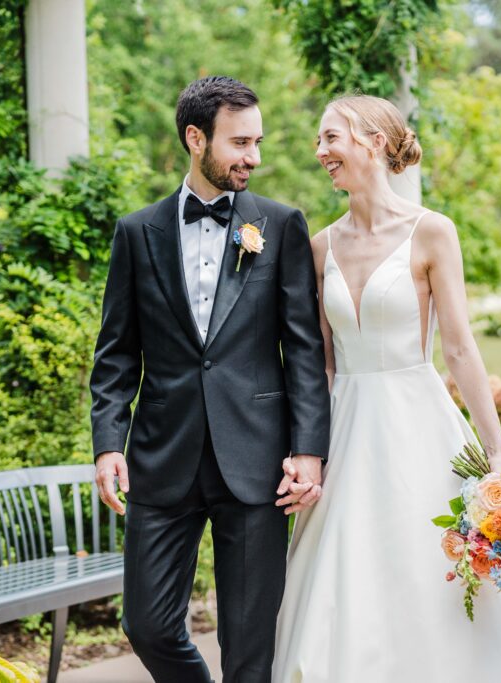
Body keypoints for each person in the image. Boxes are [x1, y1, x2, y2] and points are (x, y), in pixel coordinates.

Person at [272, 95, 501, 683]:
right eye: (320, 141)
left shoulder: (432, 232)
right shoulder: (318, 247)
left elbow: (460, 348)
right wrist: (306, 448)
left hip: (420, 422)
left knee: (428, 568)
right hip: (345, 427)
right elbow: (319, 364)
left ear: (373, 141)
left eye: (331, 138)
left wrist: (496, 452)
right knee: (344, 573)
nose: (320, 152)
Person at [89, 76, 330, 683]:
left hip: (256, 460)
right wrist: (107, 443)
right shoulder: (136, 232)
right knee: (146, 625)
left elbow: (303, 347)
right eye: (240, 142)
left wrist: (308, 450)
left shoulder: (280, 225)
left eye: (258, 142)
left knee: (249, 646)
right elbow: (116, 354)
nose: (254, 157)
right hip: (162, 456)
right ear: (196, 139)